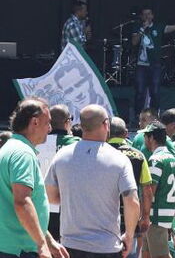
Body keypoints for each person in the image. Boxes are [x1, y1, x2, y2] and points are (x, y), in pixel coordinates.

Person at [46, 104, 139, 258]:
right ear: (106, 124)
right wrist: (129, 235)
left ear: (81, 126)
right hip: (107, 246)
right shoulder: (119, 159)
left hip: (69, 245)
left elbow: (50, 197)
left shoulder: (62, 156)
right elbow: (132, 202)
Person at [0, 98, 68, 258]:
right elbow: (22, 202)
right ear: (35, 122)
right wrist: (41, 244)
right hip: (19, 250)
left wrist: (47, 240)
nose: (50, 128)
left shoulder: (10, 148)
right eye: (47, 123)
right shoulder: (23, 154)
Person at [131, 7, 175, 115]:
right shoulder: (137, 27)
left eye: (149, 14)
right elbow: (134, 42)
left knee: (155, 91)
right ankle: (137, 117)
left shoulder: (158, 27)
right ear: (141, 17)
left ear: (152, 16)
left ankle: (154, 116)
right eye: (144, 14)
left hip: (155, 64)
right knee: (140, 91)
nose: (147, 16)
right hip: (141, 65)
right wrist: (142, 29)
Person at [106, 117, 152, 258]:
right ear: (126, 133)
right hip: (130, 217)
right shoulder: (138, 156)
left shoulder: (100, 152)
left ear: (107, 132)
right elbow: (146, 190)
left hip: (104, 216)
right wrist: (145, 216)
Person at [37, 105, 81, 241]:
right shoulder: (78, 144)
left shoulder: (36, 143)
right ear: (68, 122)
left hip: (40, 207)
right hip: (68, 208)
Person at [139, 122, 175, 258]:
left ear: (151, 138)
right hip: (166, 212)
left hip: (155, 215)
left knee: (160, 255)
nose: (144, 139)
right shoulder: (172, 158)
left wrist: (144, 216)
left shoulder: (156, 160)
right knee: (146, 252)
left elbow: (149, 191)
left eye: (145, 136)